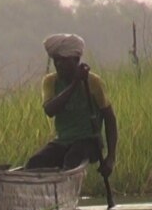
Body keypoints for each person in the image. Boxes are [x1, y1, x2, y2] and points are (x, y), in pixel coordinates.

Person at [25, 34, 118, 176]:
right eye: (56, 60)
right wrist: (75, 83)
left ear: (76, 60)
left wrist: (110, 158)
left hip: (89, 141)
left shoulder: (93, 82)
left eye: (63, 60)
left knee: (72, 159)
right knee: (35, 163)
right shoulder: (50, 81)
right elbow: (50, 110)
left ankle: (64, 184)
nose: (58, 65)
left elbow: (110, 119)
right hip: (63, 141)